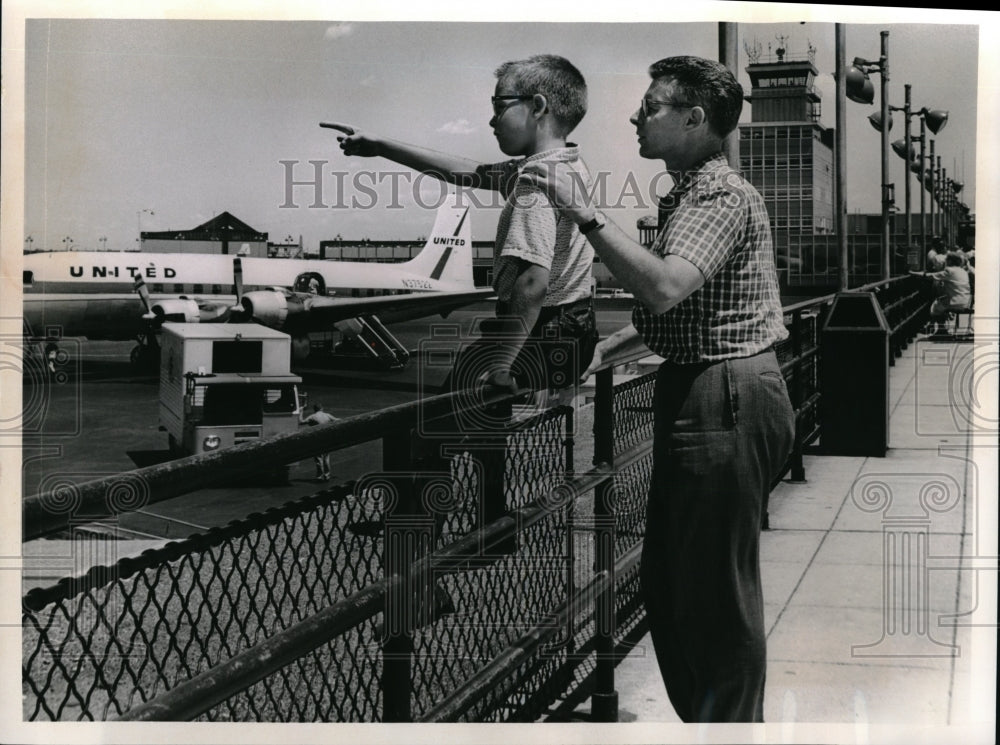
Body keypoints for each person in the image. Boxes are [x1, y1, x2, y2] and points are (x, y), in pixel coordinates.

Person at [523, 55, 795, 723]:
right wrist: (608, 352)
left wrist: (585, 215)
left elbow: (667, 285)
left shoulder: (721, 196)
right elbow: (689, 313)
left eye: (651, 107)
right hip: (708, 385)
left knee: (713, 596)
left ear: (695, 119)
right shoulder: (691, 194)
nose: (636, 117)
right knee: (674, 586)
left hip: (724, 395)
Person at [324, 54, 598, 405]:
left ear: (538, 107)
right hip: (572, 333)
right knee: (479, 437)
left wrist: (500, 366)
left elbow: (532, 283)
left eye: (499, 106)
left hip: (538, 338)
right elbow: (470, 172)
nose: (491, 119)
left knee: (425, 434)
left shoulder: (534, 182)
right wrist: (382, 147)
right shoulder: (567, 165)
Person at [912, 250, 972, 335]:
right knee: (941, 303)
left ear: (950, 261)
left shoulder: (949, 270)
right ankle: (935, 327)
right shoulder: (963, 271)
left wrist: (913, 273)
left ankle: (941, 329)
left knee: (935, 307)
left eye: (947, 260)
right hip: (966, 301)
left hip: (956, 302)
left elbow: (931, 275)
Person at [299, 403, 338, 481]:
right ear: (322, 408)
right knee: (326, 457)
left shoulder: (312, 416)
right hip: (326, 438)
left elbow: (301, 422)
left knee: (318, 458)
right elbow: (337, 420)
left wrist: (301, 411)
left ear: (314, 409)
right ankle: (327, 475)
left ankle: (320, 476)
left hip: (317, 439)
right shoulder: (327, 415)